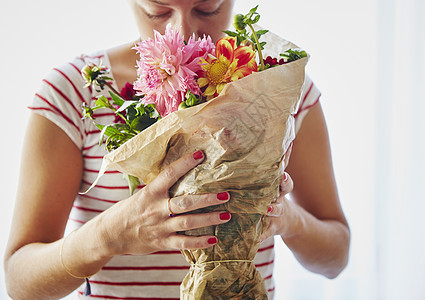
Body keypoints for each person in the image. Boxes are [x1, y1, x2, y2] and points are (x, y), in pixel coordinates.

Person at [3, 0, 350, 299]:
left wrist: (288, 220)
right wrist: (109, 234)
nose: (182, 32)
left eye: (207, 9)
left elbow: (336, 256)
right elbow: (20, 281)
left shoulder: (280, 90)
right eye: (157, 11)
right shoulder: (73, 93)